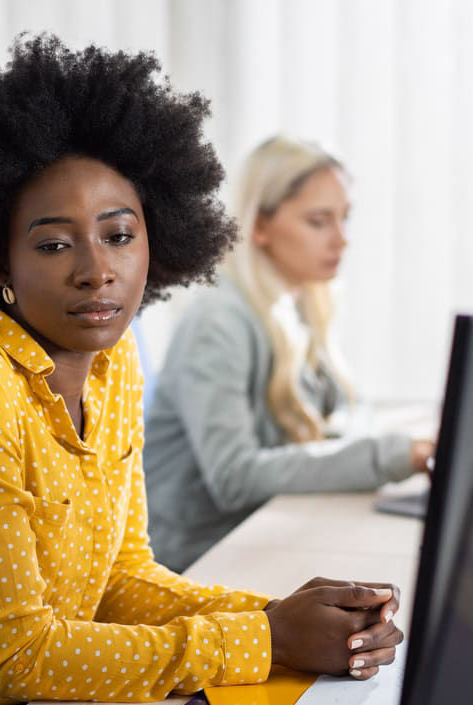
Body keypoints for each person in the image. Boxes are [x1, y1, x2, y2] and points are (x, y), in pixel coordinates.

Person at [0, 36, 405, 705]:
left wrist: (279, 616)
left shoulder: (114, 361)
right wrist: (265, 638)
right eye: (53, 244)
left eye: (119, 234)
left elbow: (118, 579)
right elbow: (18, 657)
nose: (96, 269)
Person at [144, 136, 435, 572]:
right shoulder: (218, 323)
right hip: (200, 562)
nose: (342, 240)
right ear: (259, 227)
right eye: (319, 221)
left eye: (345, 219)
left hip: (265, 535)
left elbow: (342, 415)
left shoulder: (297, 305)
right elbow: (234, 477)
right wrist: (394, 455)